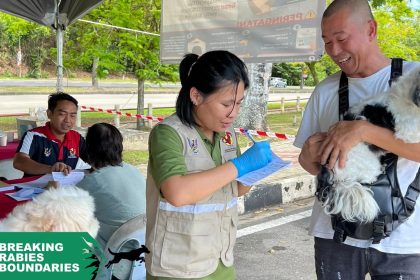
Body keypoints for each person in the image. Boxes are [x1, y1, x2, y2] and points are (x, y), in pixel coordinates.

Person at [294, 0, 420, 279]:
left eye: (341, 39)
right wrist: (311, 155)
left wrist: (363, 132)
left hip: (404, 240)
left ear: (371, 30)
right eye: (327, 42)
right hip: (333, 233)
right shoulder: (325, 90)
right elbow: (306, 162)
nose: (334, 51)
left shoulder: (414, 78)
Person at [145, 50, 272, 279]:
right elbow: (177, 193)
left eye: (239, 104)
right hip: (177, 268)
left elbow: (238, 188)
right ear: (196, 96)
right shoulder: (168, 134)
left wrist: (259, 168)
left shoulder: (226, 134)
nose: (234, 113)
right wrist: (240, 165)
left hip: (220, 261)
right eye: (226, 104)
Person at [77, 123, 146, 279]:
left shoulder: (92, 182)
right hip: (142, 259)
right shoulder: (133, 170)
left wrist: (52, 188)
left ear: (89, 149)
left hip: (114, 265)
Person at [13, 92, 88, 177]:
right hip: (38, 188)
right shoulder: (34, 135)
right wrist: (50, 169)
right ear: (49, 114)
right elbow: (19, 162)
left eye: (72, 116)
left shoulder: (77, 137)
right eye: (62, 114)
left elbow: (93, 162)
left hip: (67, 188)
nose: (68, 120)